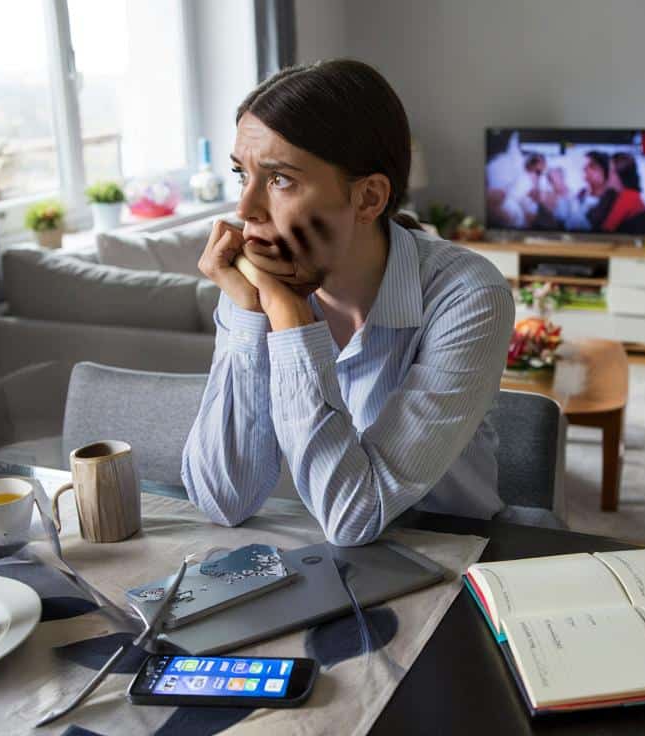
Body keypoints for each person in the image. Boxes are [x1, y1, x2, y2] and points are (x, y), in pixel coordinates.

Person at [182, 59, 516, 547]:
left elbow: (355, 516)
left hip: (451, 548)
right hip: (319, 552)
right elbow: (221, 499)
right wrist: (252, 316)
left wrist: (291, 319)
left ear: (368, 199)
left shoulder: (467, 296)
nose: (245, 209)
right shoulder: (259, 286)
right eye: (242, 175)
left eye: (279, 180)